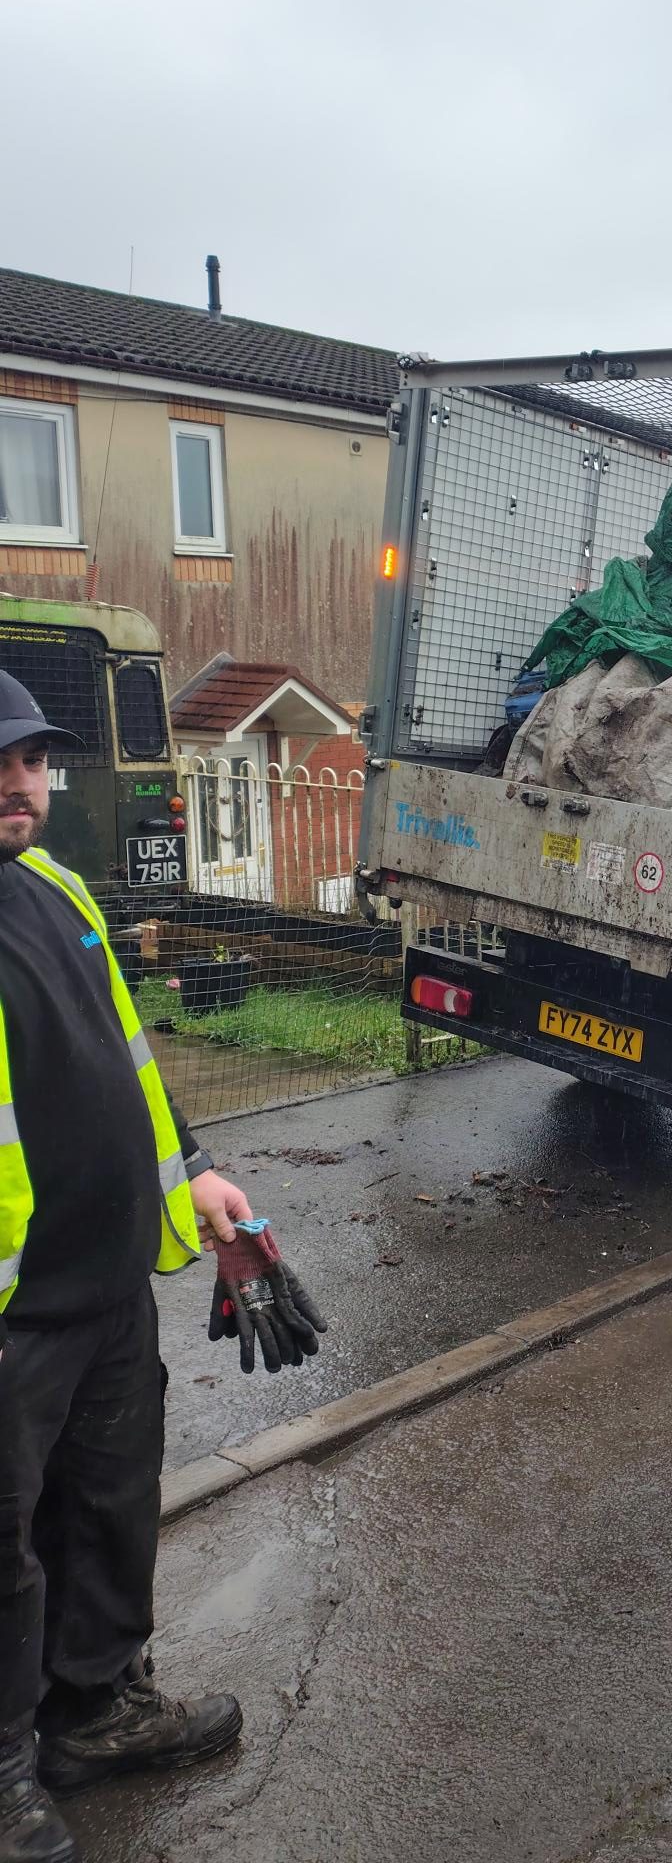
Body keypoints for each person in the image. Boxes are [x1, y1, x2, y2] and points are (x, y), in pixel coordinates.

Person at [0, 671, 253, 1863]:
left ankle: (94, 1710)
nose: (18, 779)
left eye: (30, 758)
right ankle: (6, 1769)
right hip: (13, 1315)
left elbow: (129, 1064)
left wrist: (191, 1170)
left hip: (105, 1290)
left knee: (107, 1510)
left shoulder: (55, 888)